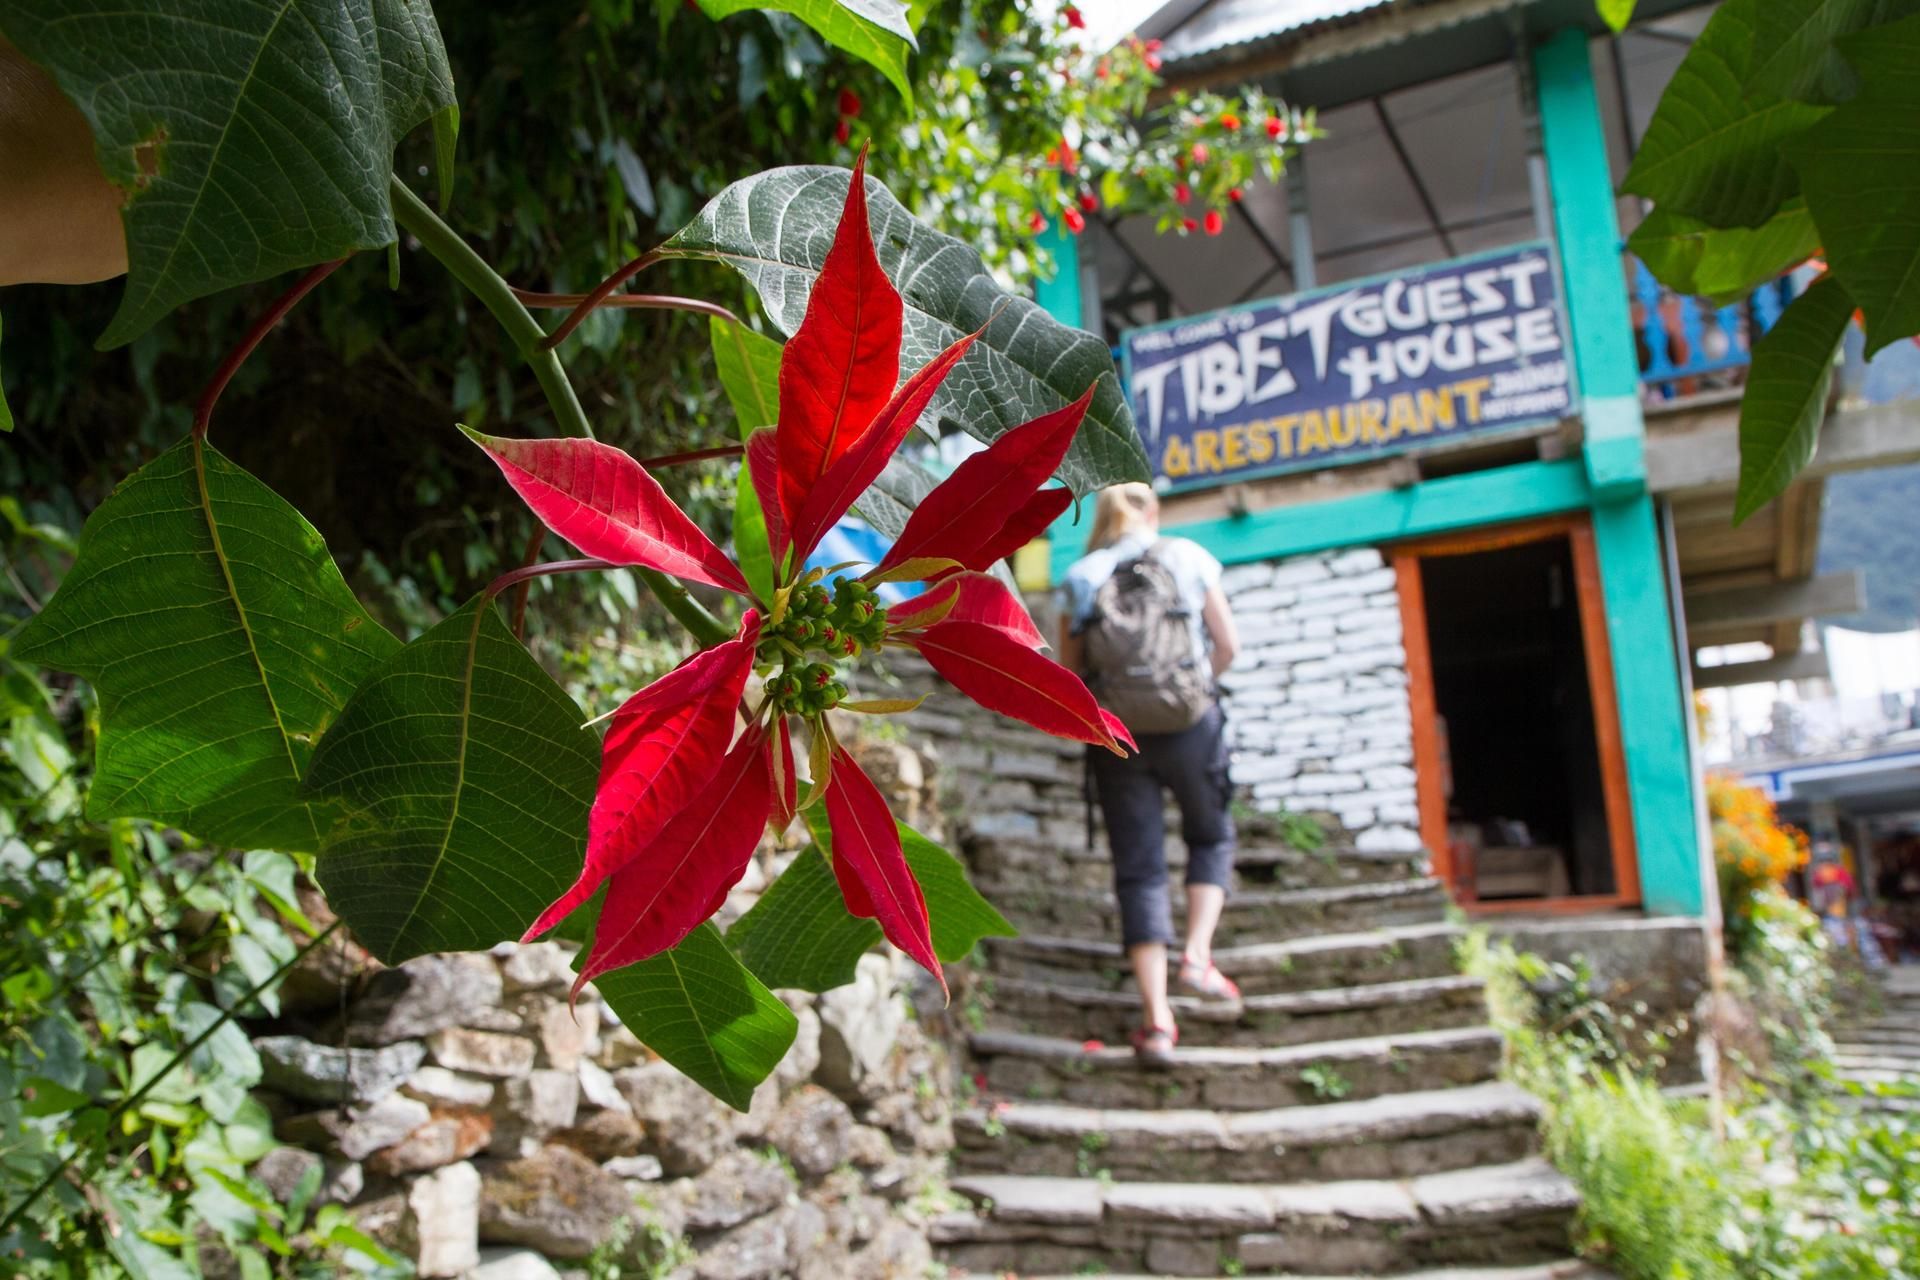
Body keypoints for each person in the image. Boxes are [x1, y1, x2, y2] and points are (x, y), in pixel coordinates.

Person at [1058, 483, 1241, 1066]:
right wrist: (1190, 691)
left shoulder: (1083, 574)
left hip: (1118, 739)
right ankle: (1196, 956)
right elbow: (1228, 646)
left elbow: (1068, 675)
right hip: (1191, 727)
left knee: (1139, 870)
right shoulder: (1187, 556)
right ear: (1152, 512)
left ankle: (1158, 1021)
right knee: (1209, 836)